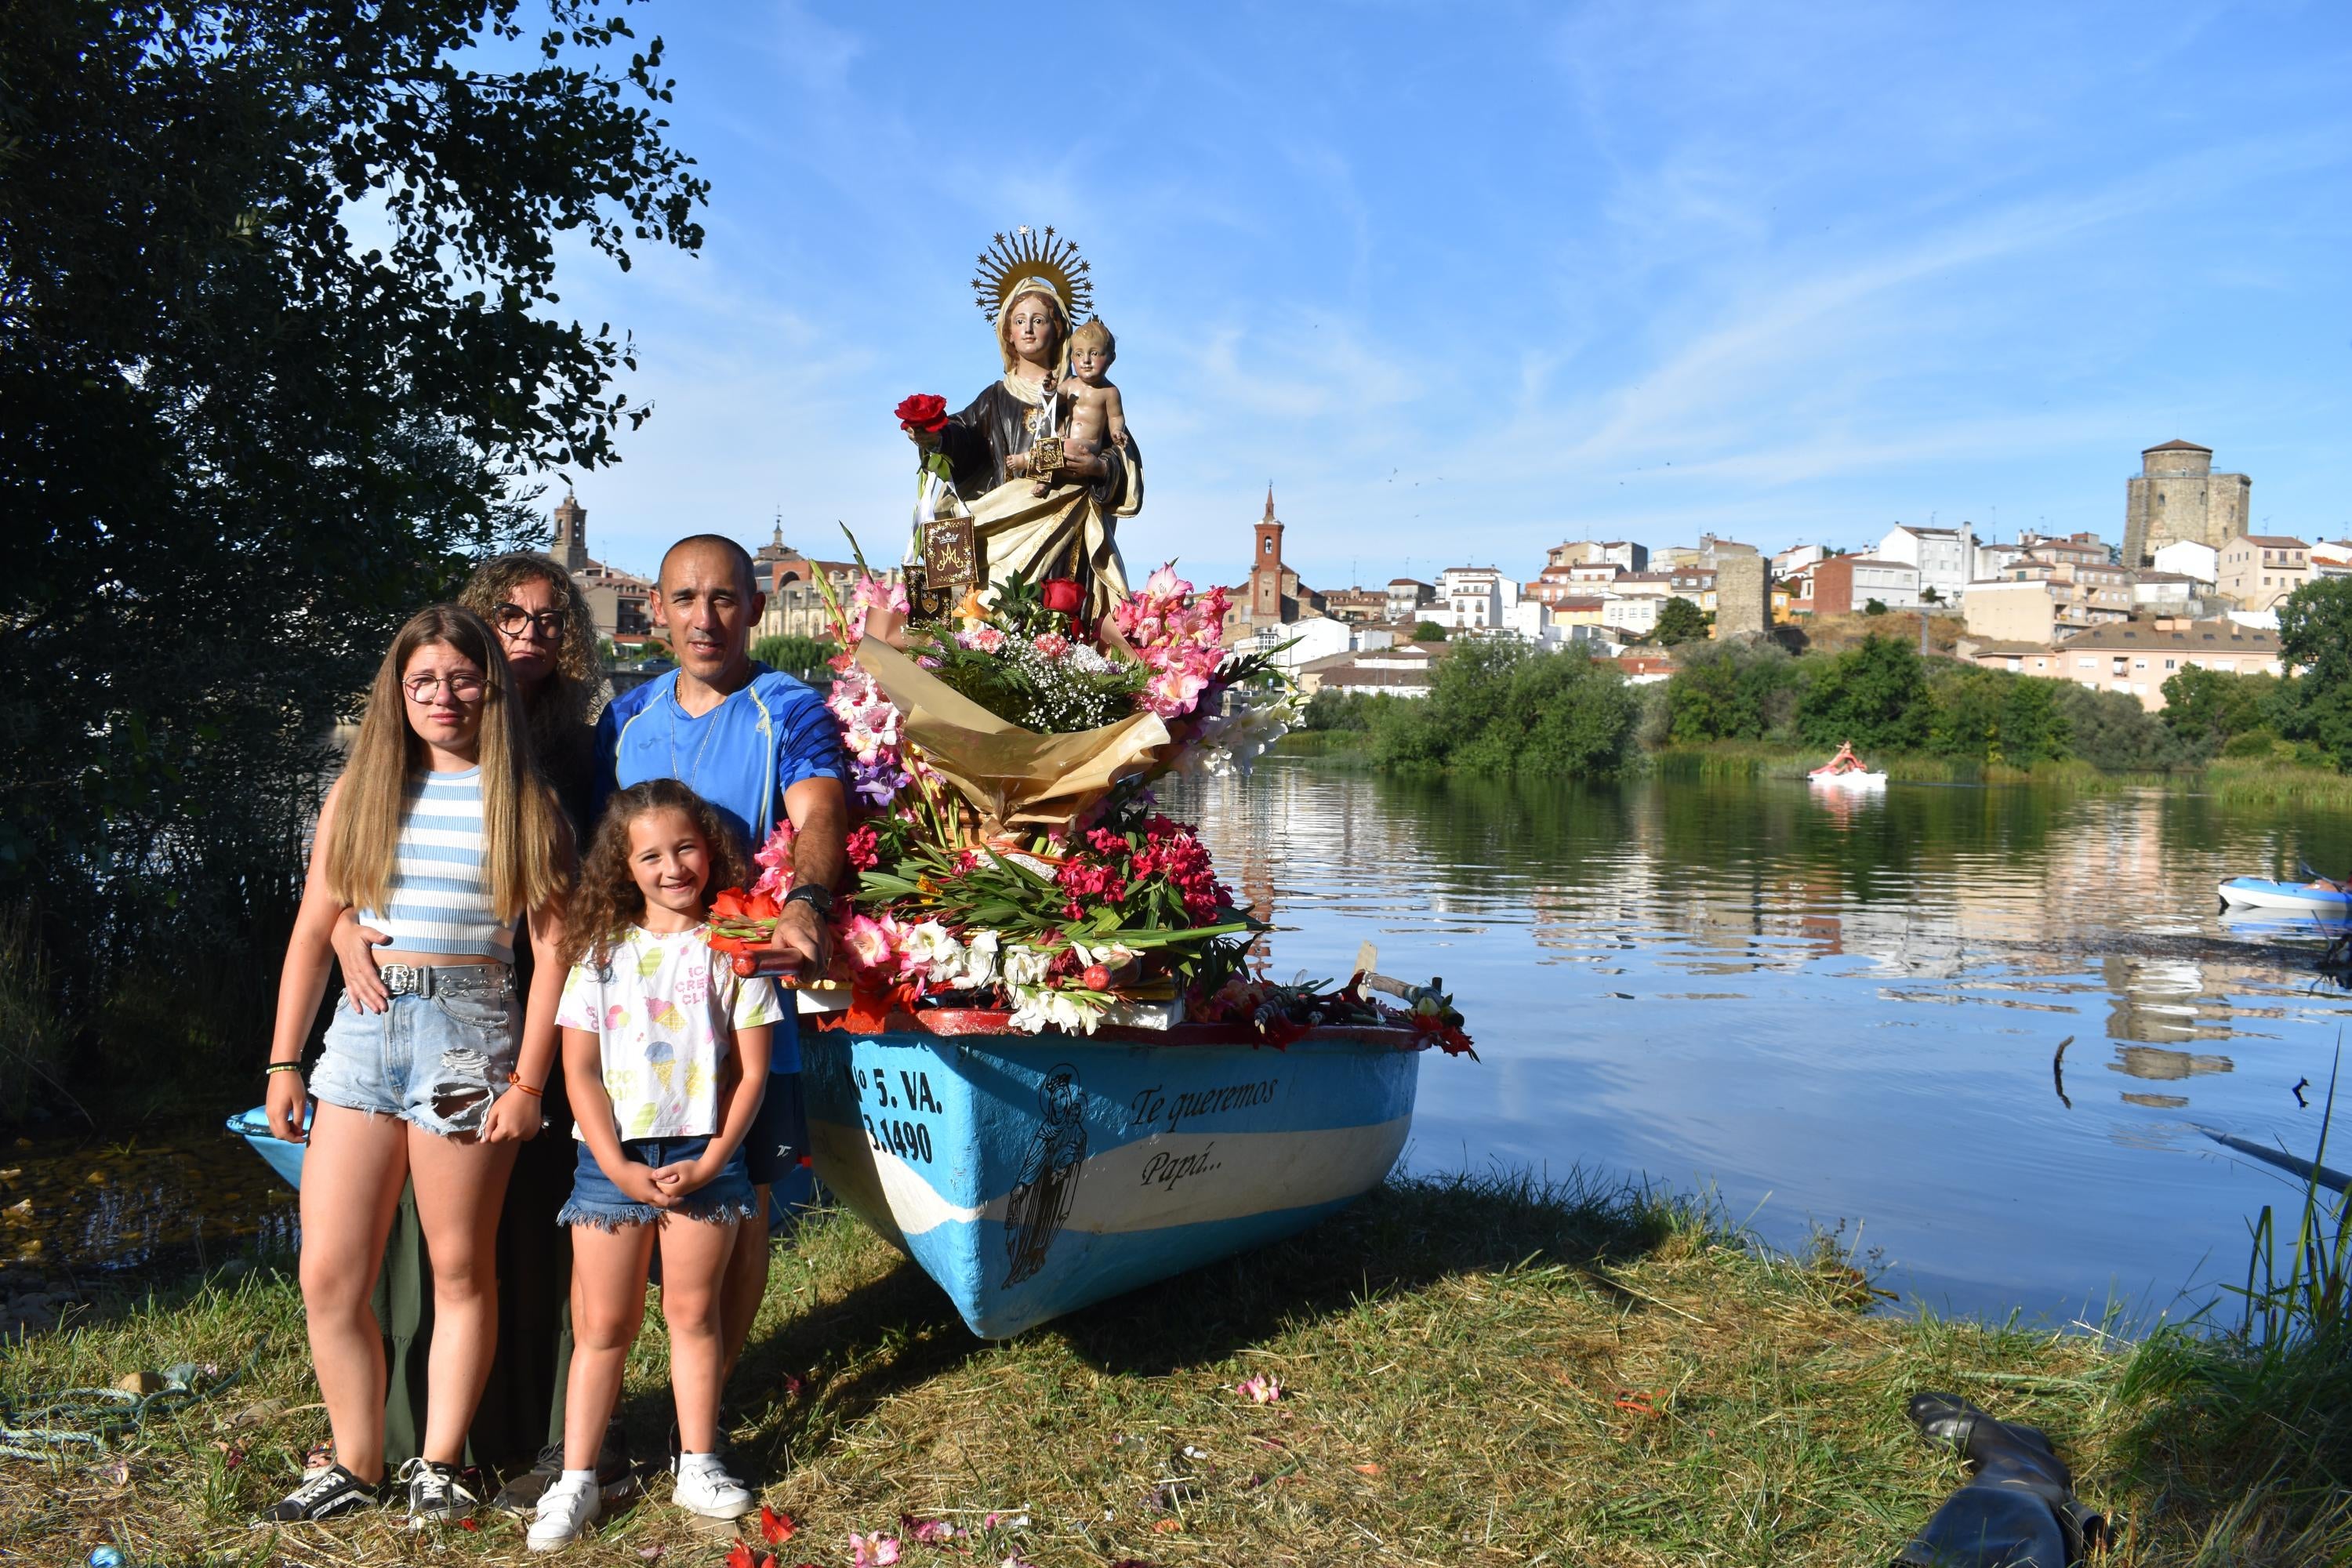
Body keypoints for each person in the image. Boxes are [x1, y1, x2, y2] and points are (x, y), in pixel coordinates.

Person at [263, 605, 571, 1523]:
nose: (444, 696)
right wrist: (284, 1060)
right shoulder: (360, 790)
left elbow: (553, 952)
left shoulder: (522, 801)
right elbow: (315, 932)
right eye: (423, 681)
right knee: (329, 1271)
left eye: (463, 678)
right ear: (397, 692)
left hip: (469, 1037)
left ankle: (437, 1462)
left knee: (459, 1266)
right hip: (361, 1034)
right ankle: (355, 1460)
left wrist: (528, 1082)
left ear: (492, 689)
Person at [330, 554, 613, 1500]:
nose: (529, 633)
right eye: (510, 617)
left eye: (546, 619)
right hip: (399, 1027)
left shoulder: (570, 754)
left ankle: (494, 1445)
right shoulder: (396, 751)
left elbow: (571, 918)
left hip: (512, 1027)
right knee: (398, 1257)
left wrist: (539, 1076)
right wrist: (341, 932)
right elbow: (349, 874)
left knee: (502, 1251)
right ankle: (391, 1447)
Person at [595, 535, 848, 1415]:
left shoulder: (790, 707)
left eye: (726, 598)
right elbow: (601, 852)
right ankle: (616, 1392)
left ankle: (713, 1391)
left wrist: (807, 899)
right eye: (686, 598)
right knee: (625, 1201)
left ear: (756, 608)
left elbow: (817, 811)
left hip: (743, 996)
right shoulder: (622, 719)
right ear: (658, 609)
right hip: (639, 1006)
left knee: (743, 1203)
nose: (706, 618)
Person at [529, 780, 779, 1547]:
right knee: (604, 1322)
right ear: (623, 866)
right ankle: (576, 1481)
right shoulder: (600, 952)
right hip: (613, 1162)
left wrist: (712, 1159)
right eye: (650, 854)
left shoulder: (736, 948)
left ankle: (698, 1462)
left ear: (709, 847)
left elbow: (753, 1072)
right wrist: (613, 1159)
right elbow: (578, 1072)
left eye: (684, 847)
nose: (672, 865)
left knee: (693, 1314)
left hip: (707, 1154)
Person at [913, 274, 1142, 617]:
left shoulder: (1083, 393)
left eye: (1039, 320)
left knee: (1053, 618)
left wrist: (1100, 468)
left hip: (1063, 522)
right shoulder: (994, 398)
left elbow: (1122, 452)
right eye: (1020, 321)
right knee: (990, 617)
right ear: (1007, 332)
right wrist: (936, 436)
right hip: (1001, 522)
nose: (1029, 329)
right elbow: (964, 437)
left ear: (1059, 329)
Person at [1011, 317, 1125, 498]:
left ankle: (1027, 460)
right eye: (1079, 354)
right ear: (1072, 357)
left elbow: (1115, 417)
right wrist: (1049, 391)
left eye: (1094, 354)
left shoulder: (1109, 392)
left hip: (1088, 446)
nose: (1086, 360)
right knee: (1050, 444)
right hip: (1066, 443)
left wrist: (1117, 432)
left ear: (1111, 357)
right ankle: (1044, 478)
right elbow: (1051, 403)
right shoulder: (1071, 384)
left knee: (1063, 446)